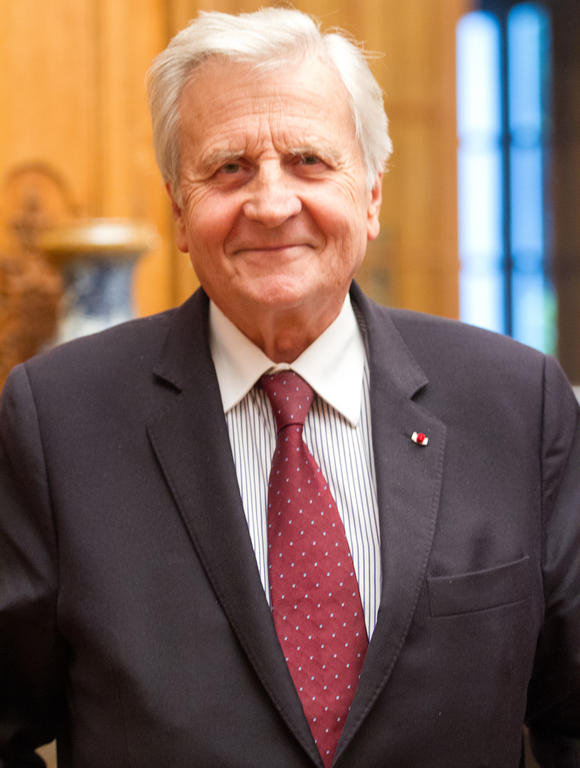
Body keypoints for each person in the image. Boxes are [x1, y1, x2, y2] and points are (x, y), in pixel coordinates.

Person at [0, 8, 578, 768]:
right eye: (228, 168)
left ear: (371, 193)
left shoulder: (518, 403)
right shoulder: (57, 419)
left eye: (309, 160)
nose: (271, 205)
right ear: (179, 206)